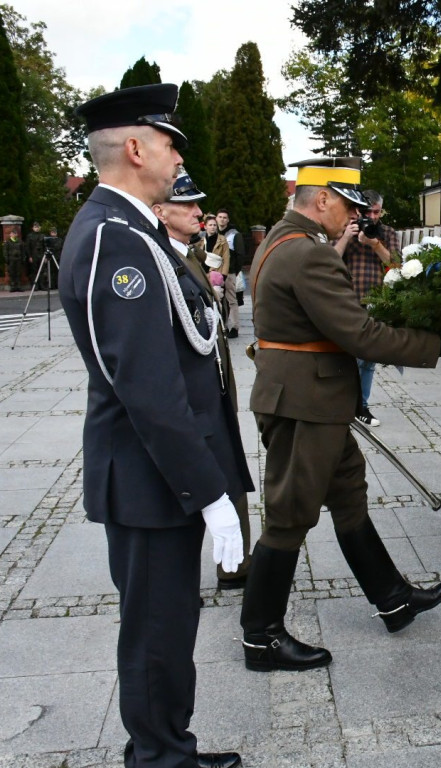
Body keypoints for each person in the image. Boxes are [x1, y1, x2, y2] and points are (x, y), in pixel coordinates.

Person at [57, 83, 251, 768]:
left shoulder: (130, 228)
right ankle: (160, 758)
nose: (177, 160)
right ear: (136, 146)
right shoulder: (117, 238)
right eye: (171, 144)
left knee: (168, 627)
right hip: (151, 478)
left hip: (156, 475)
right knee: (157, 633)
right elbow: (148, 390)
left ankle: (167, 746)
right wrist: (210, 492)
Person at [240, 157, 441, 672]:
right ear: (322, 199)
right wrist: (435, 343)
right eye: (349, 205)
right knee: (289, 515)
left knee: (347, 492)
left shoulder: (280, 240)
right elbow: (358, 334)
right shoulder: (308, 255)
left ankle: (393, 598)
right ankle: (261, 637)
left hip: (307, 398)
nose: (354, 216)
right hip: (305, 404)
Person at [153, 170, 254, 592]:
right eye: (186, 205)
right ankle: (184, 582)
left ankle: (236, 568)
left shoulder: (188, 253)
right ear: (160, 211)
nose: (199, 211)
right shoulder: (158, 257)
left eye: (198, 204)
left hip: (215, 391)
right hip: (191, 400)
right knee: (194, 486)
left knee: (229, 478)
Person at [336, 189, 399, 427]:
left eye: (376, 212)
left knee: (367, 359)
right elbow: (328, 260)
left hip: (376, 302)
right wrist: (346, 237)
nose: (371, 218)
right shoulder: (344, 228)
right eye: (367, 212)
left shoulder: (387, 233)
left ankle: (361, 405)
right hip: (345, 300)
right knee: (344, 355)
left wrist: (374, 243)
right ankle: (342, 403)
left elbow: (396, 263)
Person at [215, 209, 244, 337]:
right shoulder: (211, 233)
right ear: (216, 218)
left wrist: (235, 270)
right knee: (219, 300)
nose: (222, 219)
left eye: (224, 217)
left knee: (231, 300)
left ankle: (234, 327)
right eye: (220, 217)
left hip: (230, 272)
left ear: (228, 220)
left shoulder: (234, 235)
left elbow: (240, 255)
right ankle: (223, 326)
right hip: (215, 273)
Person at [25, 221, 45, 287]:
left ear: (40, 228)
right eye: (35, 227)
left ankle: (42, 285)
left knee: (41, 270)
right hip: (34, 255)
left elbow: (45, 246)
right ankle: (34, 286)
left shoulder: (42, 236)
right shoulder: (30, 236)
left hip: (41, 254)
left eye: (38, 227)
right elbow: (28, 247)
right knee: (34, 271)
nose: (37, 228)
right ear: (33, 228)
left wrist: (45, 257)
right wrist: (29, 256)